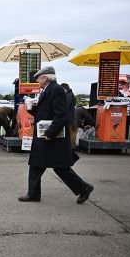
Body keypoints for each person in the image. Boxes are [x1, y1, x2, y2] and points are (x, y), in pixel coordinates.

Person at [18, 67, 94, 204]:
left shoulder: (56, 90)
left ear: (46, 78)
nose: (37, 80)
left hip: (51, 137)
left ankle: (84, 188)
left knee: (60, 168)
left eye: (38, 77)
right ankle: (33, 194)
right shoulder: (48, 90)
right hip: (46, 136)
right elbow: (45, 113)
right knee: (36, 164)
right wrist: (32, 109)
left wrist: (50, 133)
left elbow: (61, 115)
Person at [61, 83, 76, 149]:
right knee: (70, 133)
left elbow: (66, 106)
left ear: (64, 89)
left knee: (70, 133)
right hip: (70, 117)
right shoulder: (71, 94)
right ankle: (71, 147)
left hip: (68, 118)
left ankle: (71, 147)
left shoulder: (68, 95)